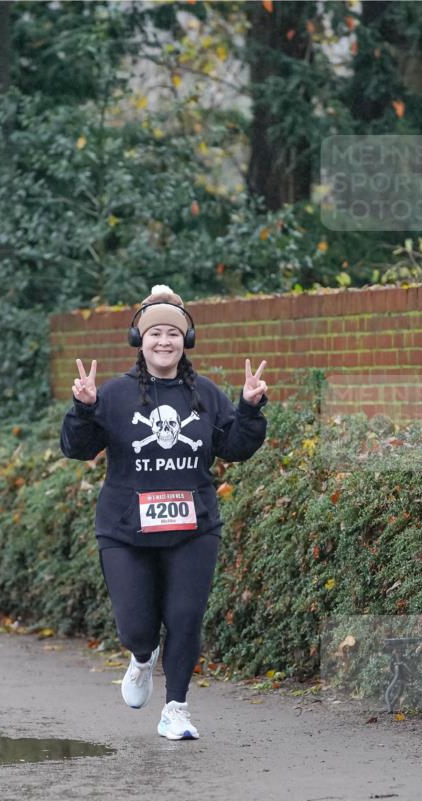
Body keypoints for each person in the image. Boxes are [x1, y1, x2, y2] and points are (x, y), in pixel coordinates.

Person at [60, 284, 269, 740]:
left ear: (185, 341)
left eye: (172, 334)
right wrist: (84, 408)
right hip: (125, 529)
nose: (164, 341)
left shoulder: (206, 396)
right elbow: (77, 448)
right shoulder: (114, 396)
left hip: (193, 527)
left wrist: (250, 410)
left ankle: (176, 707)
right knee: (138, 626)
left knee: (186, 617)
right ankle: (140, 656)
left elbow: (233, 447)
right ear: (140, 339)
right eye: (154, 333)